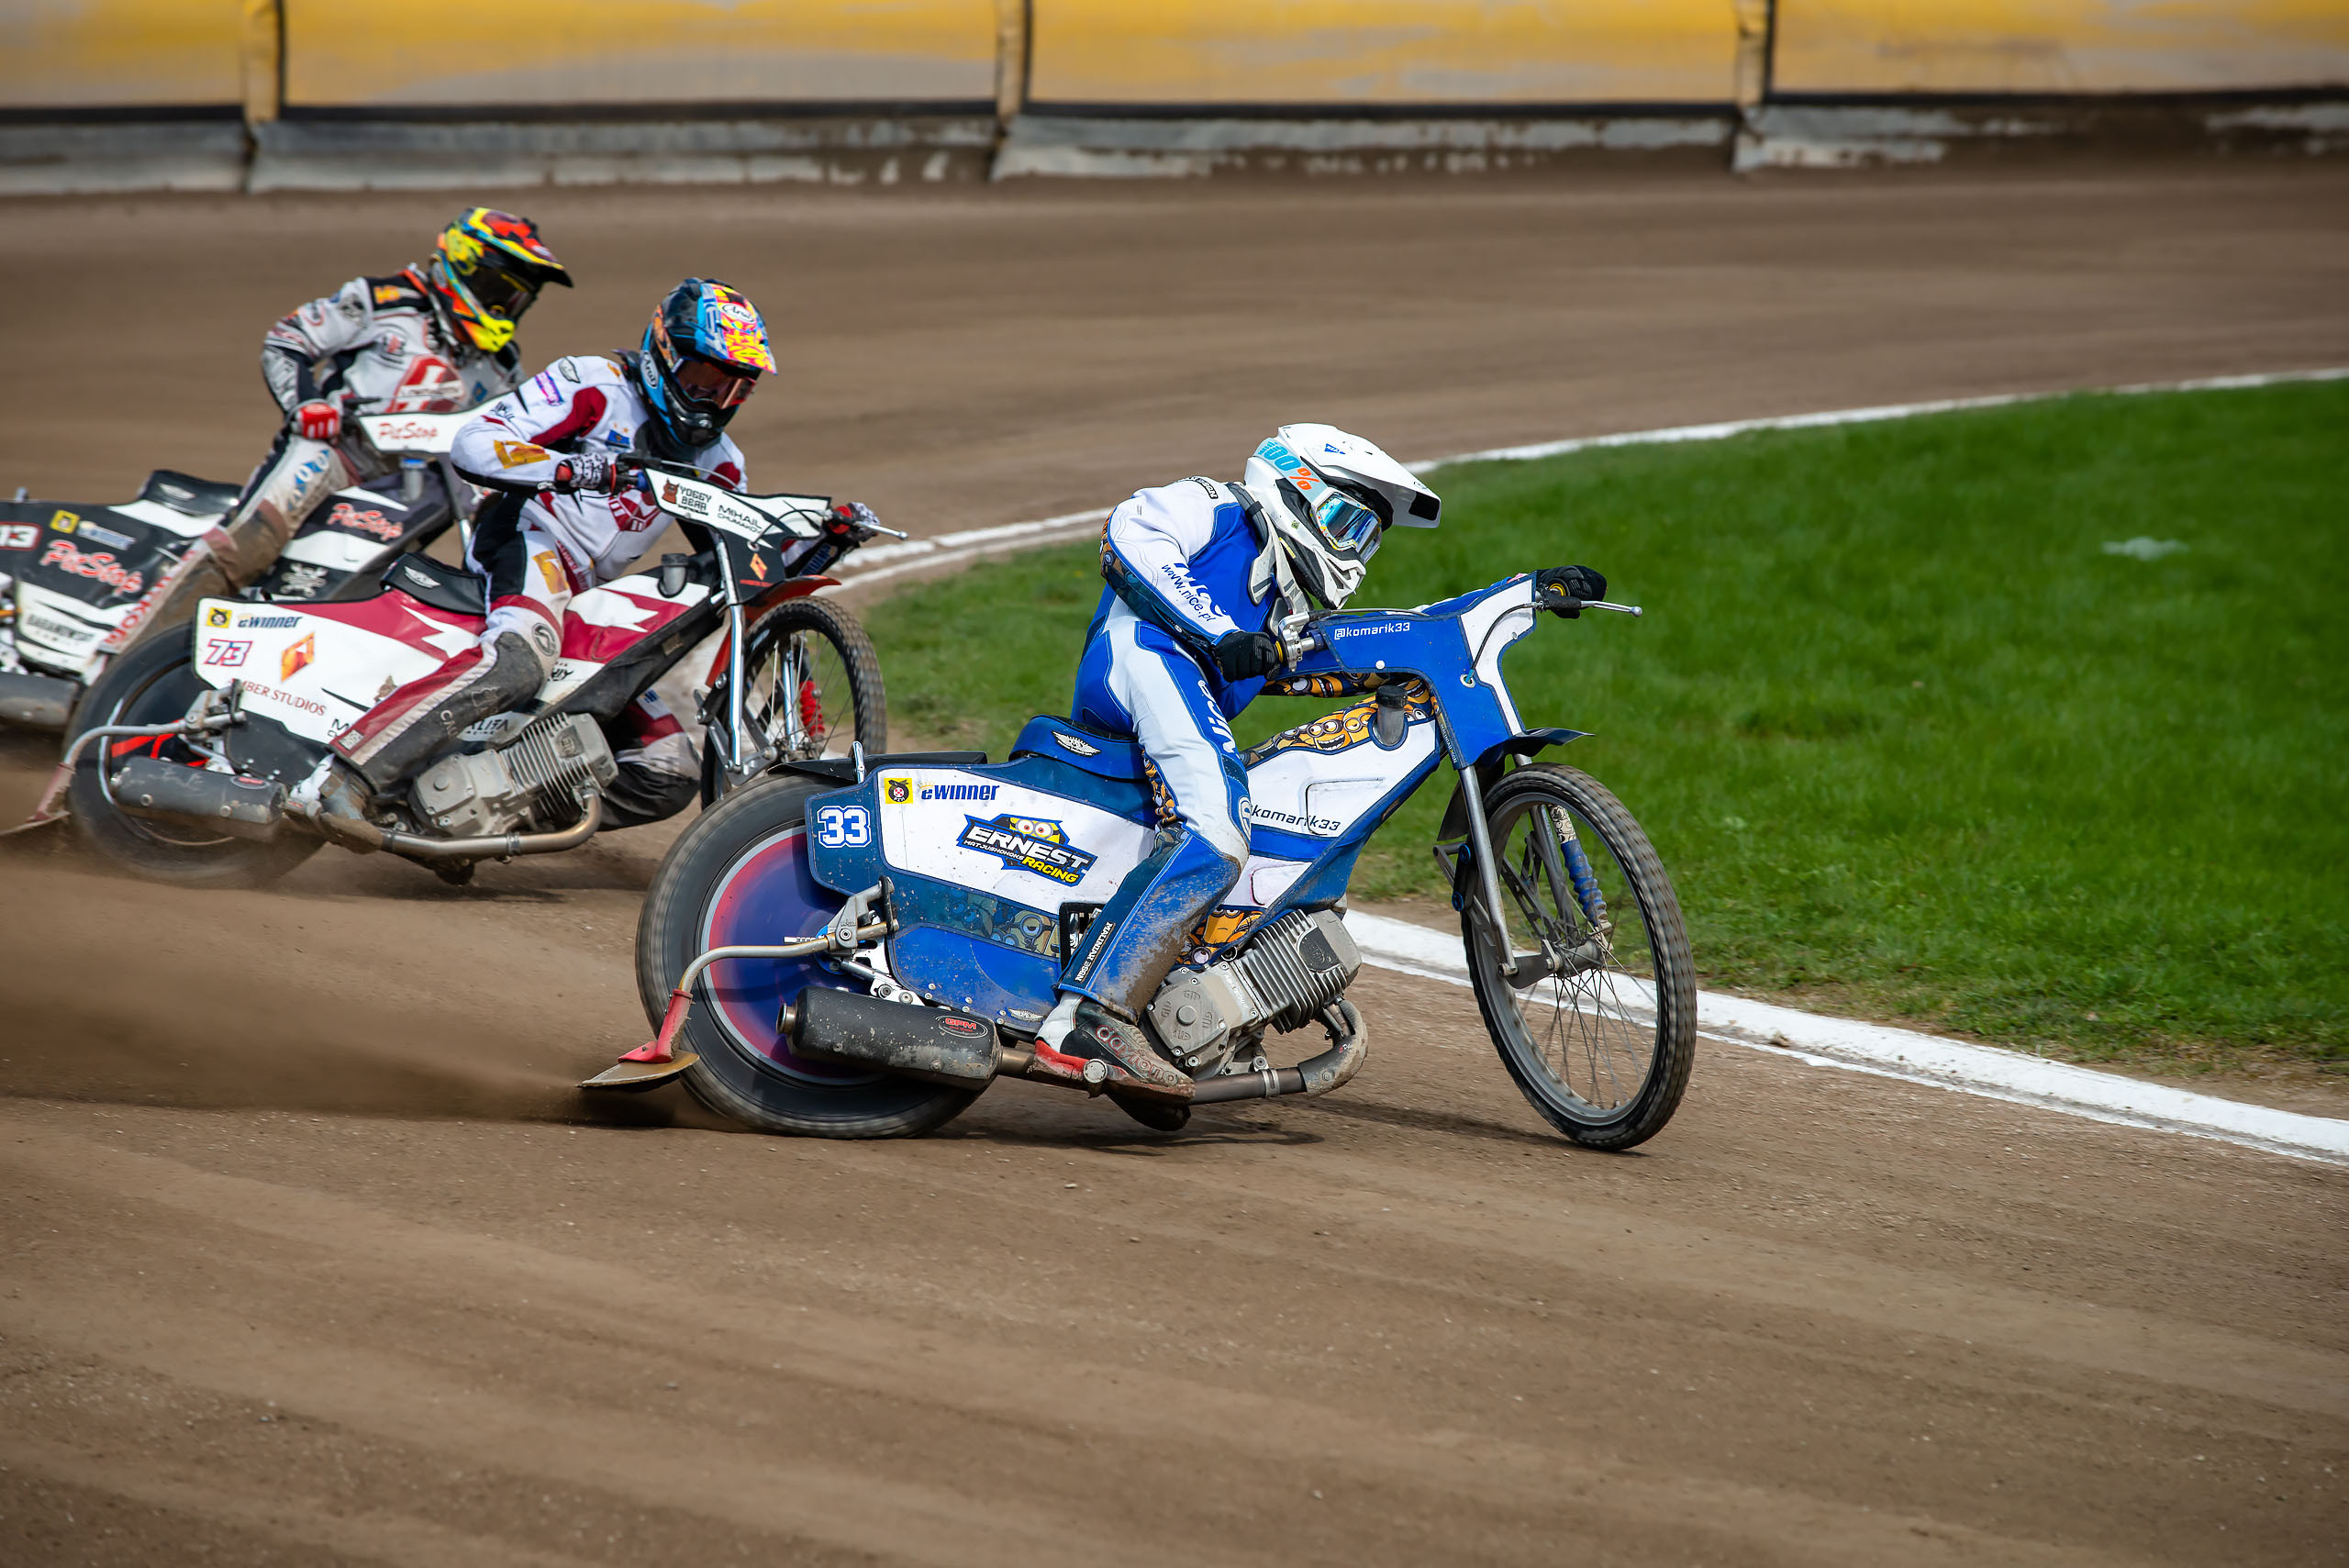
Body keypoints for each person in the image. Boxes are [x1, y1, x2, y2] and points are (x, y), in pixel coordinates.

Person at [1031, 424, 1605, 1102]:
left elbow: (1402, 634)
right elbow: (1128, 534)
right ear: (1294, 488)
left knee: (1240, 851)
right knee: (1218, 825)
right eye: (1347, 524)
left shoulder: (1287, 612)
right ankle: (1085, 1017)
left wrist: (1524, 590)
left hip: (1175, 679)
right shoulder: (1220, 506)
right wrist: (1220, 633)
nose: (1356, 554)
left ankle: (1171, 1024)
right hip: (1141, 651)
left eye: (1369, 538)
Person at [291, 276, 855, 849]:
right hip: (527, 534)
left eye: (734, 390)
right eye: (704, 379)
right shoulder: (594, 384)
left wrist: (824, 540)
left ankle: (473, 821)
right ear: (665, 354)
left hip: (590, 592)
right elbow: (475, 442)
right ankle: (344, 778)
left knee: (668, 768)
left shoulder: (719, 462)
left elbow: (744, 563)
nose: (713, 402)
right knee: (521, 663)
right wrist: (568, 469)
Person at [118, 208, 572, 648]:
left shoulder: (503, 363)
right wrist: (307, 404)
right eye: (500, 289)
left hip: (423, 483)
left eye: (518, 298)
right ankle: (124, 656)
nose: (506, 306)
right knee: (249, 544)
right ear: (465, 265)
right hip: (337, 452)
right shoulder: (382, 299)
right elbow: (287, 338)